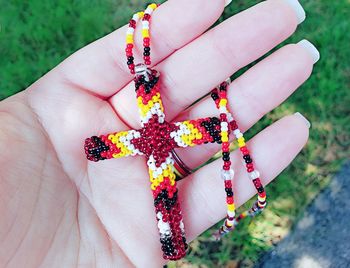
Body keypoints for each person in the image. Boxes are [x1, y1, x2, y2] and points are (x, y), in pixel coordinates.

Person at [0, 0, 319, 266]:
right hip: (156, 147)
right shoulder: (145, 130)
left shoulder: (147, 126)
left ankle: (171, 241)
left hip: (158, 146)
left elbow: (110, 145)